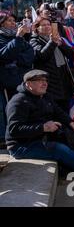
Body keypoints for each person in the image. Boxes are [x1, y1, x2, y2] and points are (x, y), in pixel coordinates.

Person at [0, 13, 34, 149]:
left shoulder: (18, 38)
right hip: (3, 80)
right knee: (3, 110)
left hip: (17, 79)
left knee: (19, 109)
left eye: (14, 20)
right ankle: (3, 138)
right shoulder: (9, 37)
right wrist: (18, 39)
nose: (14, 23)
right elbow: (4, 55)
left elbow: (30, 55)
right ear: (2, 23)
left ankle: (20, 134)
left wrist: (15, 57)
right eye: (9, 20)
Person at [30, 17, 74, 113]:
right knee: (53, 113)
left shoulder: (57, 38)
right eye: (43, 25)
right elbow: (42, 56)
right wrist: (52, 42)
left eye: (48, 24)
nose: (47, 27)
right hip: (49, 81)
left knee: (65, 112)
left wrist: (61, 45)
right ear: (37, 28)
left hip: (63, 80)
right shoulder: (34, 41)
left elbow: (72, 55)